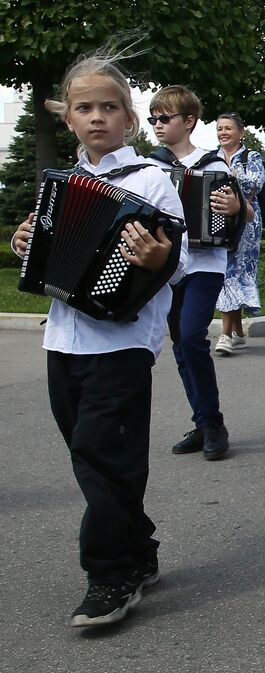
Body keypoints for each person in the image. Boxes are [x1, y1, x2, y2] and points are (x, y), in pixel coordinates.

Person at [11, 49, 188, 628]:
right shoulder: (64, 184)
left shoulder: (153, 181)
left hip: (123, 342)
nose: (97, 118)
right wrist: (26, 242)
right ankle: (138, 547)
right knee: (89, 454)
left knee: (101, 456)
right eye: (85, 108)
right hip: (64, 341)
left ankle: (110, 576)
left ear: (128, 118)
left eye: (109, 107)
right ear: (69, 119)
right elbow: (45, 255)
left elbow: (175, 259)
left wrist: (157, 255)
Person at [149, 86, 241, 462]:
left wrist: (235, 208)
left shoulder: (215, 165)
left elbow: (242, 217)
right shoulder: (151, 167)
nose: (156, 125)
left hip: (205, 264)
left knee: (190, 336)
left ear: (188, 122)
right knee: (181, 343)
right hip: (169, 266)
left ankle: (214, 423)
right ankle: (204, 422)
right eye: (153, 118)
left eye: (164, 119)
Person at [213, 112, 265, 354]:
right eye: (220, 128)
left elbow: (258, 182)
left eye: (228, 128)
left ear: (240, 133)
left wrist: (236, 177)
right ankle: (235, 332)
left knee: (236, 271)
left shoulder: (250, 156)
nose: (223, 132)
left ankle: (226, 335)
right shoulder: (212, 158)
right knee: (227, 271)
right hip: (220, 219)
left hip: (247, 220)